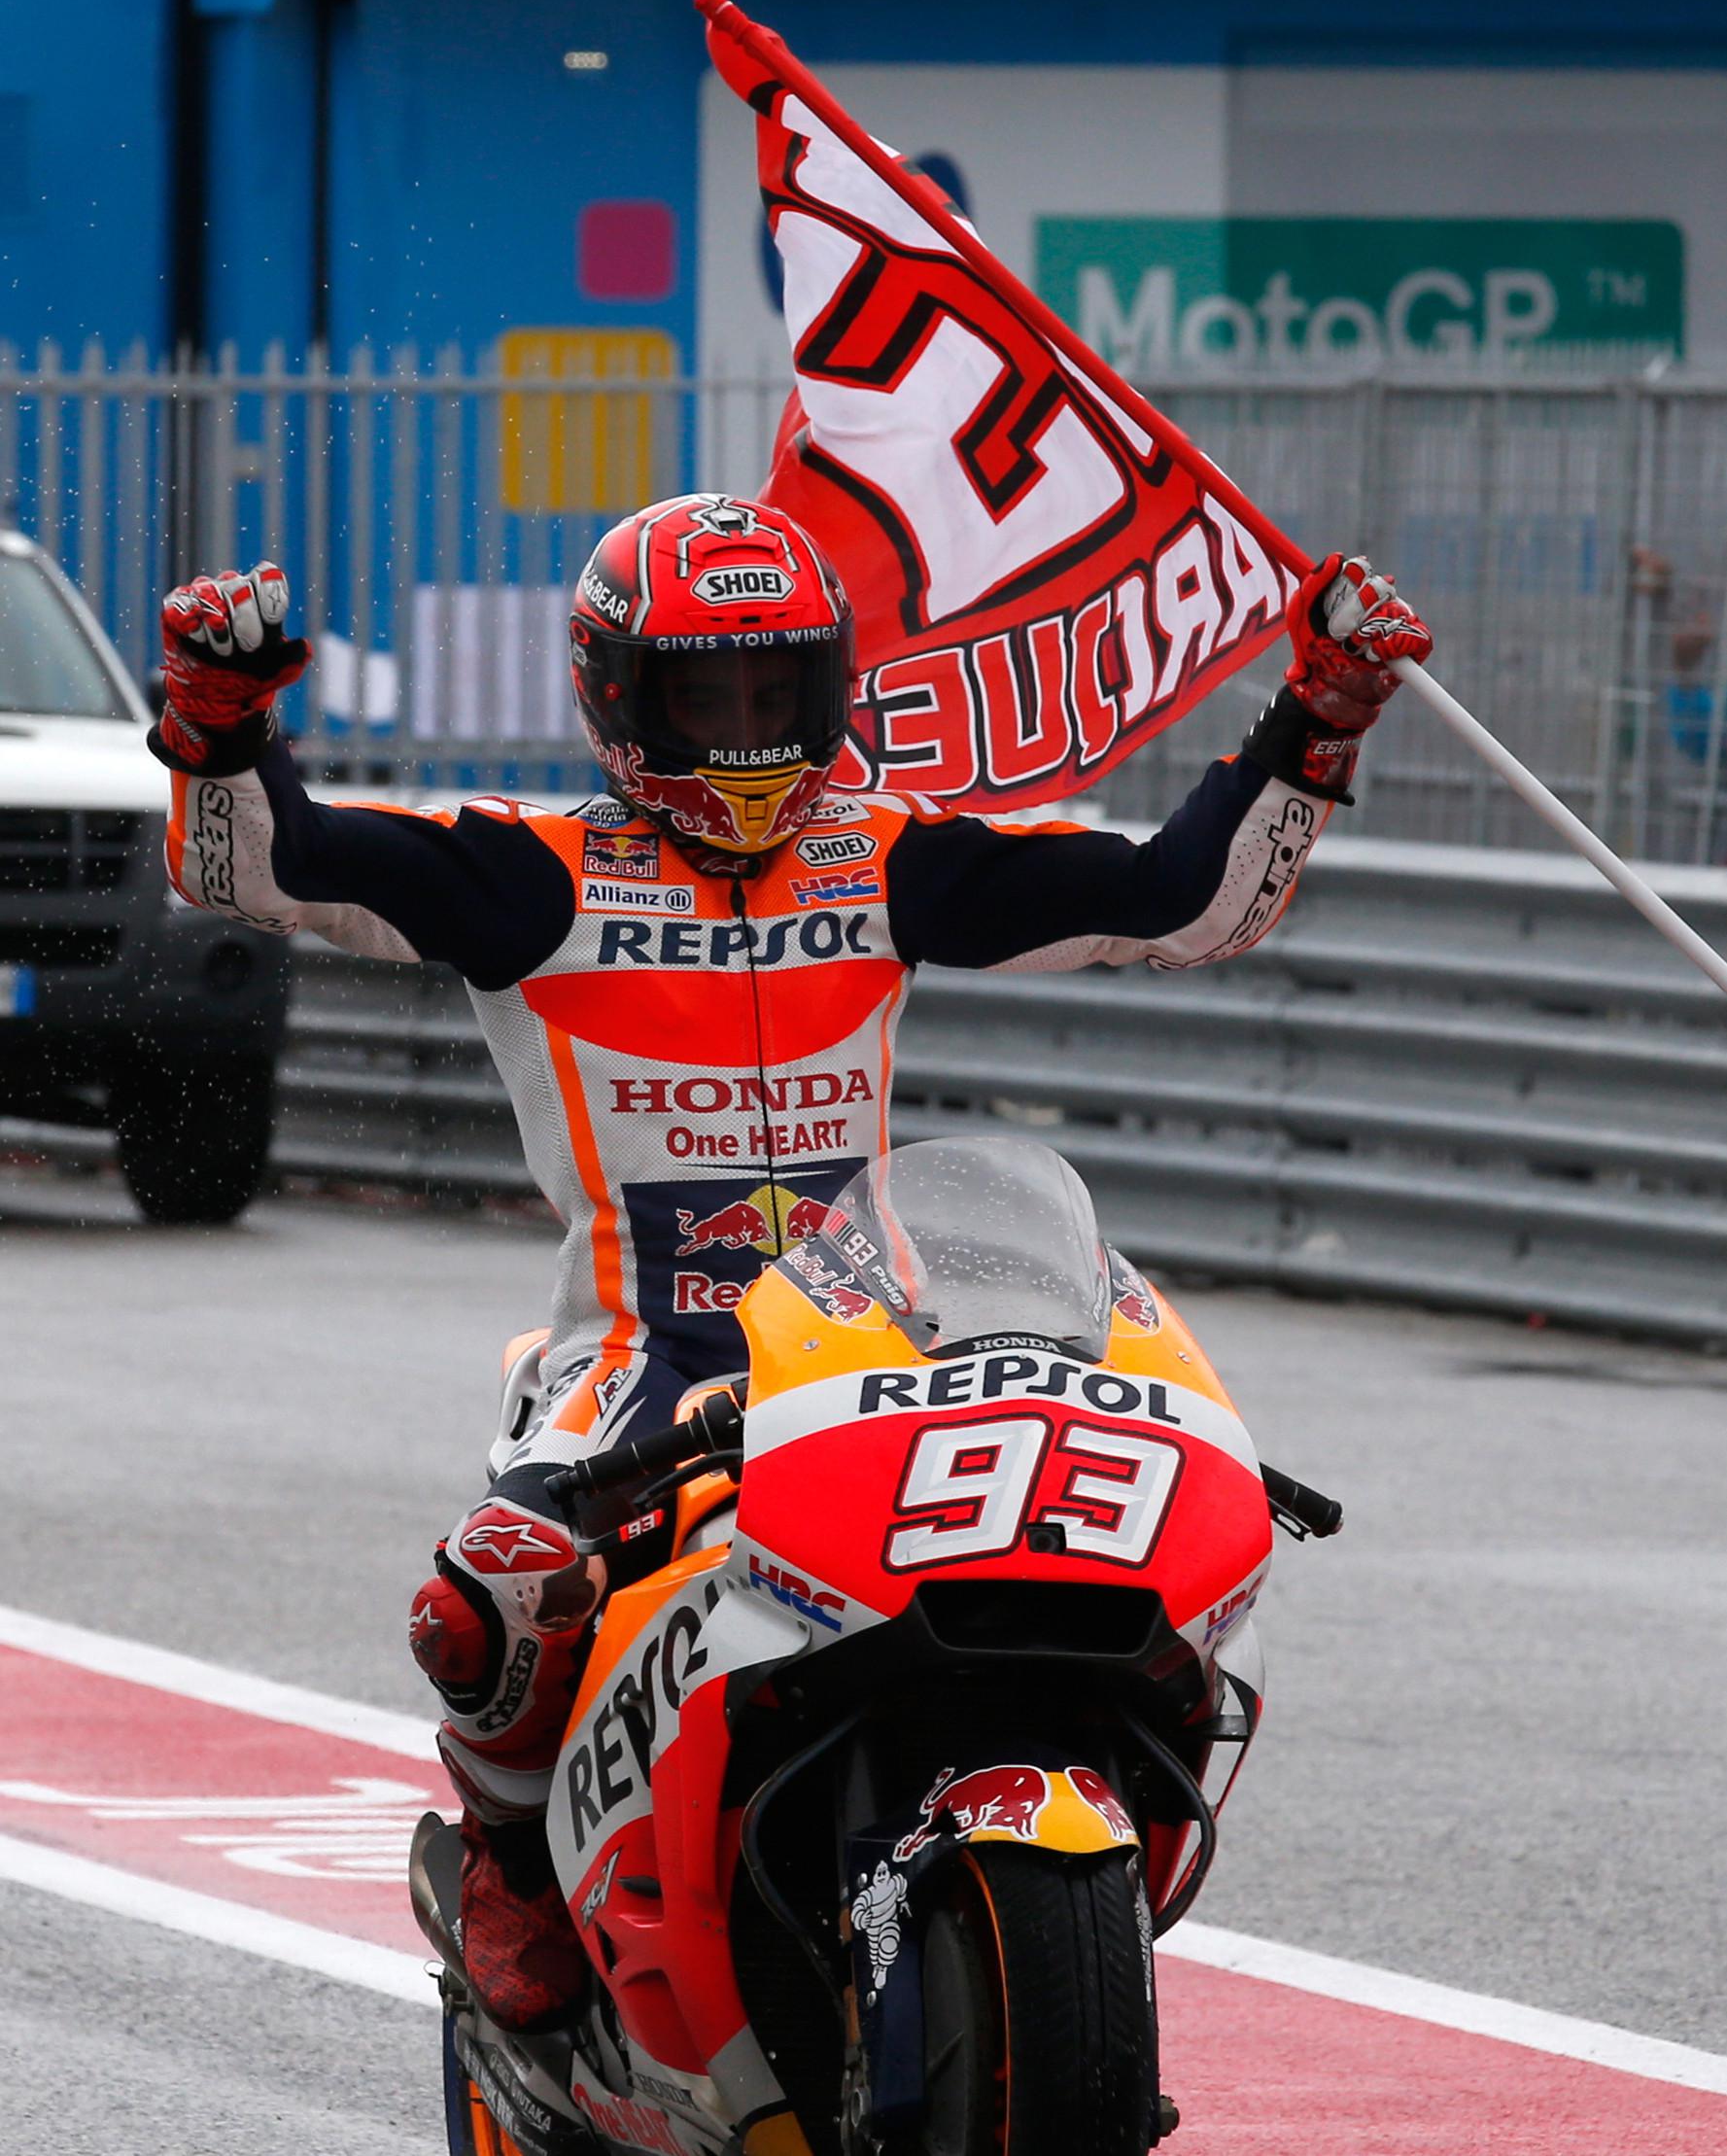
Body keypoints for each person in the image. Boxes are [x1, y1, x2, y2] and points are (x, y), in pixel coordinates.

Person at [150, 495, 1431, 2029]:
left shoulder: (887, 855)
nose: (750, 729)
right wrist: (220, 723)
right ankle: (503, 1855)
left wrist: (1317, 717)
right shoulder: (532, 875)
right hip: (634, 1355)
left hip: (865, 1338)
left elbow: (1182, 906)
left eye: (779, 690)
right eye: (709, 691)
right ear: (622, 695)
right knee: (483, 1603)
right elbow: (254, 872)